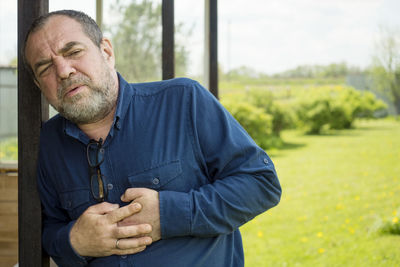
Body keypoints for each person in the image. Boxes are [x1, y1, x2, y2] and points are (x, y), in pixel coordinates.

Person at [23, 9, 281, 267]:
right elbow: (49, 229)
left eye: (73, 52)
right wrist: (75, 241)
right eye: (45, 67)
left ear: (106, 52)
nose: (64, 71)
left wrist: (169, 214)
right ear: (38, 85)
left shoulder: (183, 101)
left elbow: (260, 183)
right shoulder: (48, 143)